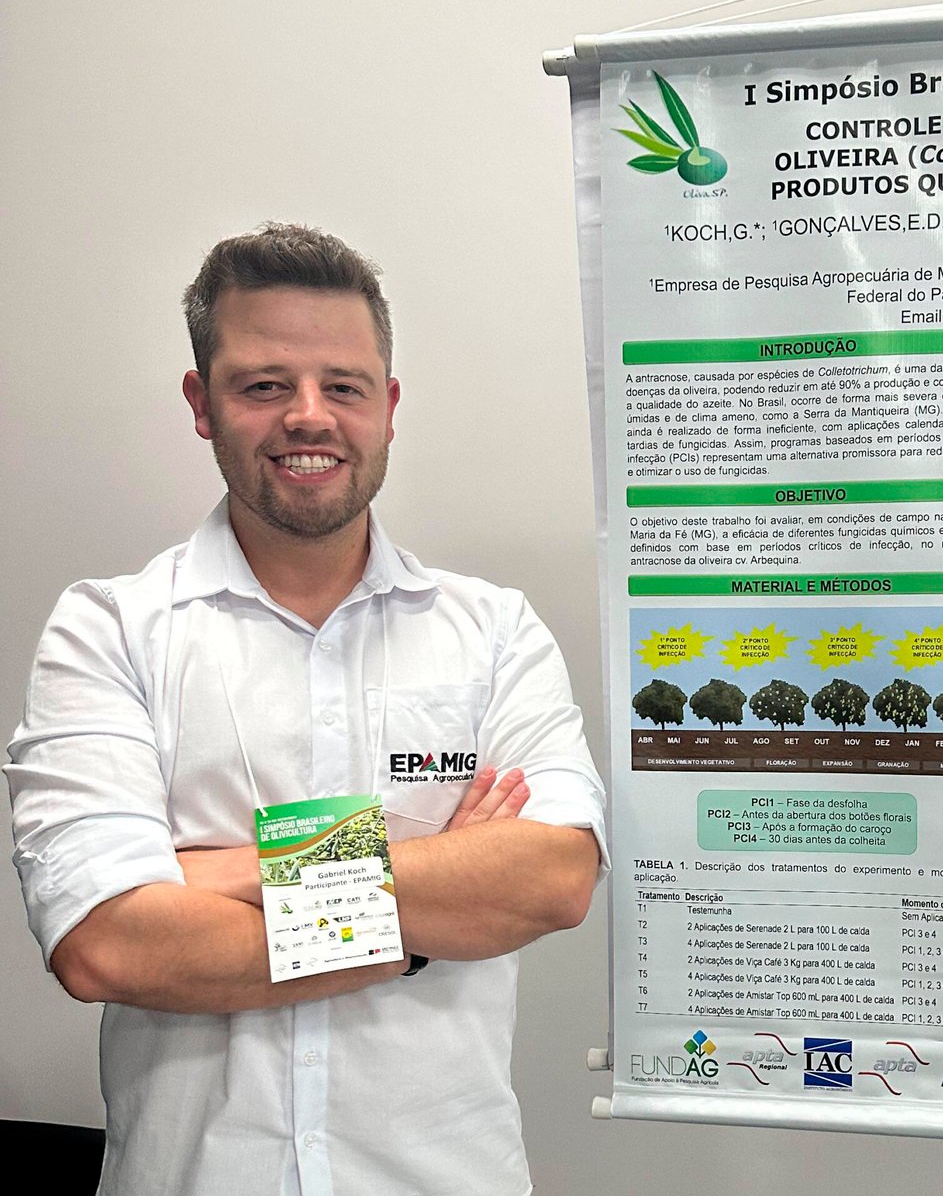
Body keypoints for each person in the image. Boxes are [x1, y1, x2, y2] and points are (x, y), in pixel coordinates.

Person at [5, 223, 607, 1196]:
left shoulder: (493, 632)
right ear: (202, 404)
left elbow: (551, 878)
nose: (309, 416)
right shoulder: (108, 630)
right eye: (264, 385)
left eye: (344, 386)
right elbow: (109, 944)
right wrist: (420, 926)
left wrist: (228, 871)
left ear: (389, 407)